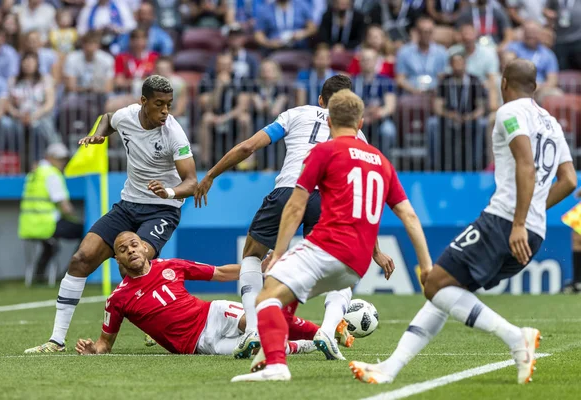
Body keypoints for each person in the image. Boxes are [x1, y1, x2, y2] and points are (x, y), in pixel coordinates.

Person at [349, 59, 578, 385]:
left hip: (504, 221)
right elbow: (569, 180)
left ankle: (516, 338)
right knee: (446, 291)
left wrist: (517, 221)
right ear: (536, 87)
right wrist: (531, 216)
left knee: (434, 283)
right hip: (534, 231)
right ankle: (391, 367)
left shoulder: (510, 112)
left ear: (502, 84)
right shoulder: (552, 123)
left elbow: (525, 166)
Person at [230, 89, 432, 382]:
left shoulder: (323, 152)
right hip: (356, 264)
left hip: (326, 247)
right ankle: (320, 332)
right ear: (361, 123)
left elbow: (296, 205)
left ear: (328, 120)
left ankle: (276, 364)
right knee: (288, 297)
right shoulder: (381, 161)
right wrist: (425, 266)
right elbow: (409, 216)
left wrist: (281, 252)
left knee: (268, 294)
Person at [194, 75, 396, 363]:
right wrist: (375, 251)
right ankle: (327, 330)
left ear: (322, 100)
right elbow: (360, 197)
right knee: (341, 265)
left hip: (289, 191)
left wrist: (211, 174)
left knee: (252, 254)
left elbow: (248, 147)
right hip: (328, 202)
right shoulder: (357, 137)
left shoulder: (296, 113)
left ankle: (252, 329)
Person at [24, 75, 198, 354]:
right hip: (128, 204)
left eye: (169, 105)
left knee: (134, 262)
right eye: (159, 104)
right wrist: (100, 134)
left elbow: (192, 182)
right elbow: (108, 117)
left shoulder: (174, 134)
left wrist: (168, 192)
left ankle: (153, 323)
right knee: (80, 259)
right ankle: (56, 340)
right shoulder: (127, 115)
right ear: (143, 102)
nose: (165, 111)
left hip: (162, 210)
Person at [75, 231, 317, 356]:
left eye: (134, 245)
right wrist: (92, 350)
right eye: (123, 249)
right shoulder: (117, 299)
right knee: (258, 348)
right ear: (117, 258)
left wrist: (258, 268)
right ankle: (309, 345)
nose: (131, 251)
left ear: (145, 247)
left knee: (258, 321)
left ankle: (324, 331)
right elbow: (104, 344)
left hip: (213, 314)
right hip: (197, 344)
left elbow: (221, 273)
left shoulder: (170, 266)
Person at [18, 143, 83, 284]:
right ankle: (72, 273)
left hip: (28, 226)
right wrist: (74, 216)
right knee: (87, 232)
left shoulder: (34, 173)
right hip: (47, 225)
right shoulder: (52, 174)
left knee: (49, 245)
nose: (62, 162)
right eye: (59, 159)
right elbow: (65, 207)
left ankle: (38, 275)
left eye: (64, 159)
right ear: (49, 157)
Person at [428, 52, 487, 171]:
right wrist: (449, 115)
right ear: (450, 65)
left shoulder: (474, 80)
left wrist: (470, 117)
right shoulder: (445, 80)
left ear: (465, 64)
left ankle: (478, 165)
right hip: (448, 118)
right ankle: (435, 165)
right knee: (432, 123)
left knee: (482, 124)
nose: (458, 66)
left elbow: (481, 108)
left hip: (470, 118)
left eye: (461, 62)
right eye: (455, 63)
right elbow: (437, 107)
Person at [6, 52, 59, 166]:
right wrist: (18, 114)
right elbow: (8, 104)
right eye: (25, 61)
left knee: (38, 128)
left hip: (40, 116)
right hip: (18, 117)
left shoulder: (45, 79)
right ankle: (17, 164)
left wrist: (34, 115)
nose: (28, 64)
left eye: (31, 62)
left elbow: (49, 103)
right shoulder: (13, 80)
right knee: (13, 128)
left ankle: (37, 164)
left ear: (37, 64)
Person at [352, 48, 397, 154]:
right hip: (357, 121)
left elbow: (390, 107)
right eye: (364, 60)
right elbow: (348, 107)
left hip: (380, 120)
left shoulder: (386, 81)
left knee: (388, 131)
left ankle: (383, 163)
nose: (366, 62)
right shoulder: (352, 82)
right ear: (359, 62)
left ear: (376, 61)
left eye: (370, 59)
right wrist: (364, 116)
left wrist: (376, 115)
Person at [506, 21, 562, 104]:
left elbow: (552, 80)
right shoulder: (514, 47)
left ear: (540, 34)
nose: (530, 35)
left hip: (540, 88)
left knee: (556, 94)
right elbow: (508, 66)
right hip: (518, 86)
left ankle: (546, 117)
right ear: (523, 33)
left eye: (534, 32)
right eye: (528, 31)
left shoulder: (548, 54)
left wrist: (539, 87)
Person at [395, 16, 448, 94]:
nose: (427, 35)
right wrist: (414, 91)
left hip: (435, 94)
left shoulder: (442, 52)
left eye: (430, 32)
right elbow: (400, 78)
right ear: (417, 32)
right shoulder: (404, 52)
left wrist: (435, 90)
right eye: (424, 32)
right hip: (411, 93)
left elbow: (443, 77)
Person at [545, 0, 581, 71]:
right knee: (561, 67)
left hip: (578, 38)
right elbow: (546, 10)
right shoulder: (554, 1)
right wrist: (549, 14)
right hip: (560, 39)